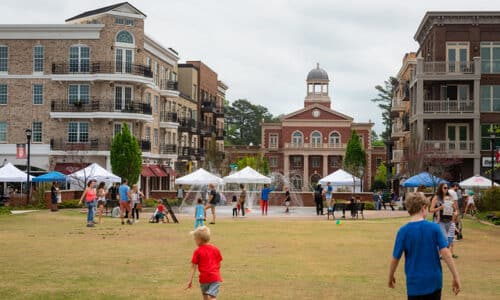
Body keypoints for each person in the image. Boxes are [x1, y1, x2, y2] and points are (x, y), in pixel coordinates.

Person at [388, 192, 461, 299]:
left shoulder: (403, 231)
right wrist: (455, 276)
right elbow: (446, 253)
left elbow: (395, 258)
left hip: (414, 283)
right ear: (423, 208)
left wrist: (390, 276)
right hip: (434, 281)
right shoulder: (434, 228)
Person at [186, 226, 223, 300]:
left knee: (208, 297)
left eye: (195, 239)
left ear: (199, 240)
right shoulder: (216, 249)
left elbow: (193, 267)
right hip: (214, 278)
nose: (194, 240)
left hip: (205, 279)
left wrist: (190, 280)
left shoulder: (197, 251)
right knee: (211, 297)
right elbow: (219, 263)